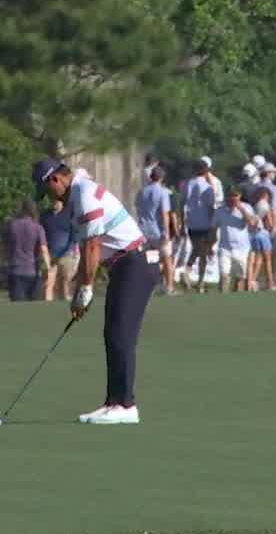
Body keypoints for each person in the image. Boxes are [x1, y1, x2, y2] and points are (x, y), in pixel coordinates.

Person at [35, 158, 155, 425]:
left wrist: (86, 289)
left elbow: (93, 247)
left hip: (135, 264)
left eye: (47, 190)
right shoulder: (78, 196)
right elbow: (86, 252)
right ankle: (113, 402)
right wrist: (80, 293)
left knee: (121, 334)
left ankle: (126, 405)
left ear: (55, 179)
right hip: (123, 267)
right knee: (112, 333)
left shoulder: (84, 194)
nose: (49, 196)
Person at [135, 165, 177, 296]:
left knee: (145, 261)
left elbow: (138, 209)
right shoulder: (163, 192)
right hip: (157, 231)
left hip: (142, 230)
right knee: (167, 258)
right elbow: (165, 213)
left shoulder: (142, 191)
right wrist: (166, 232)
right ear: (162, 177)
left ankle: (145, 287)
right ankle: (169, 287)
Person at [182, 157, 222, 292]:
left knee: (197, 250)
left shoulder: (188, 184)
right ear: (206, 170)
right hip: (205, 223)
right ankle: (199, 281)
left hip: (192, 223)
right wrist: (214, 224)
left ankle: (190, 273)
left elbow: (183, 203)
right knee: (202, 253)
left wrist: (182, 223)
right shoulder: (207, 187)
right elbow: (211, 207)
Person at [3, 200, 49, 302]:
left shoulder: (11, 225)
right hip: (33, 271)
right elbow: (44, 250)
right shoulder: (38, 227)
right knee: (35, 306)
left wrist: (4, 263)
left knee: (17, 306)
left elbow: (5, 247)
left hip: (15, 269)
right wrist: (47, 269)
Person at [213, 188, 256, 292]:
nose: (232, 198)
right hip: (225, 248)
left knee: (240, 277)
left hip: (242, 249)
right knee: (224, 275)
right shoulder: (220, 210)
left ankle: (237, 296)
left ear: (239, 196)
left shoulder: (247, 207)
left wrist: (240, 208)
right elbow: (213, 228)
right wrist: (210, 245)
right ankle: (223, 297)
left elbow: (252, 223)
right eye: (230, 195)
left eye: (235, 195)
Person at [43, 194, 78, 301]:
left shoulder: (69, 215)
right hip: (50, 256)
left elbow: (74, 236)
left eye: (57, 200)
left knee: (66, 285)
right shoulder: (45, 216)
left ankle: (67, 306)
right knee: (49, 285)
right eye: (52, 200)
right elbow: (42, 235)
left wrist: (68, 251)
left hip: (67, 256)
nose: (54, 202)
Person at [247, 183, 276, 291]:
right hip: (263, 233)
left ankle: (252, 281)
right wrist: (272, 228)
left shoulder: (254, 206)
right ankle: (270, 283)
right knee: (268, 260)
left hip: (253, 234)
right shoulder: (265, 205)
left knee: (258, 258)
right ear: (265, 195)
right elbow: (269, 223)